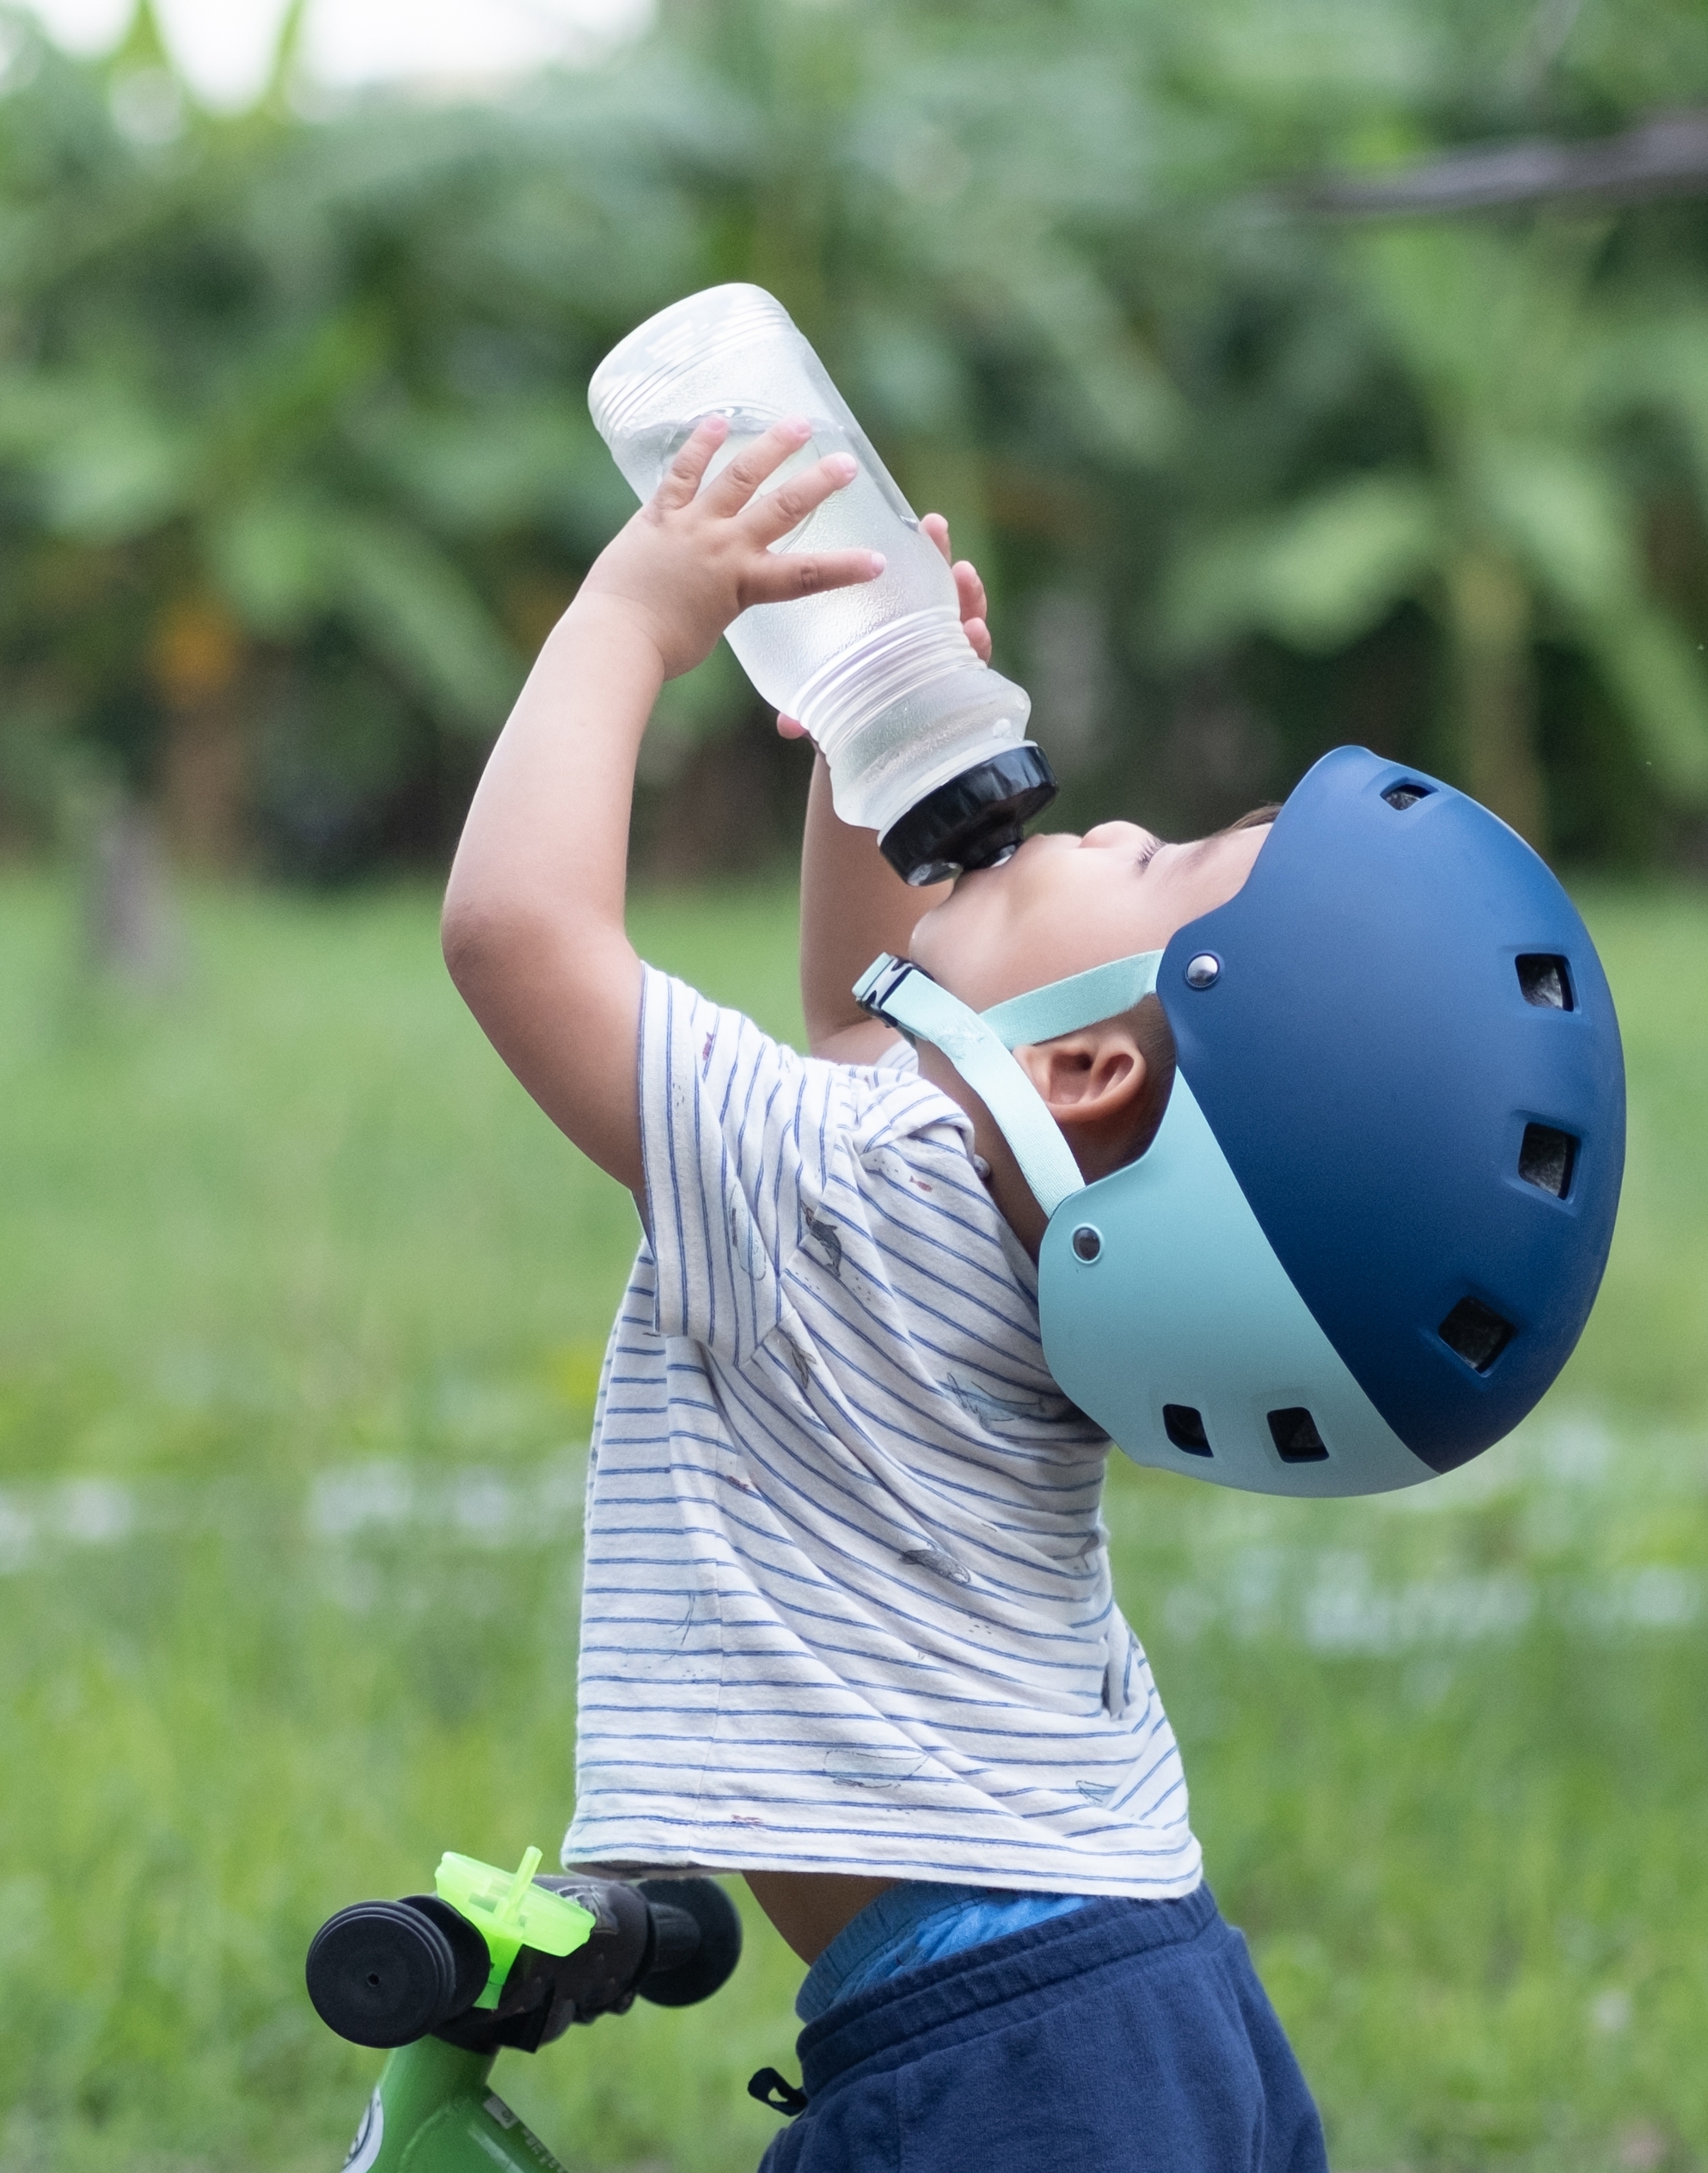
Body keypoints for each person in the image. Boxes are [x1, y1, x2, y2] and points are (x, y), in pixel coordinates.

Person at [442, 411, 1615, 2169]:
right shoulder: (947, 1213)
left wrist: (632, 615)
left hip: (1005, 2078)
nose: (1115, 820)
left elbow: (513, 932)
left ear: (1077, 1079)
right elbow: (863, 1020)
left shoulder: (831, 1193)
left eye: (1148, 865)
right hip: (1144, 1990)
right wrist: (871, 762)